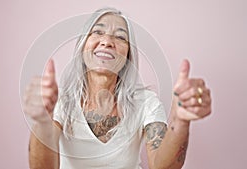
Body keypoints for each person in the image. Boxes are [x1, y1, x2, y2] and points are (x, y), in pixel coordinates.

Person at [23, 7, 212, 169]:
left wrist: (180, 121)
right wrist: (42, 121)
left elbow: (162, 166)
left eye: (120, 37)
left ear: (128, 56)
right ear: (82, 47)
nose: (107, 41)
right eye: (97, 32)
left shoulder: (146, 102)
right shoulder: (61, 102)